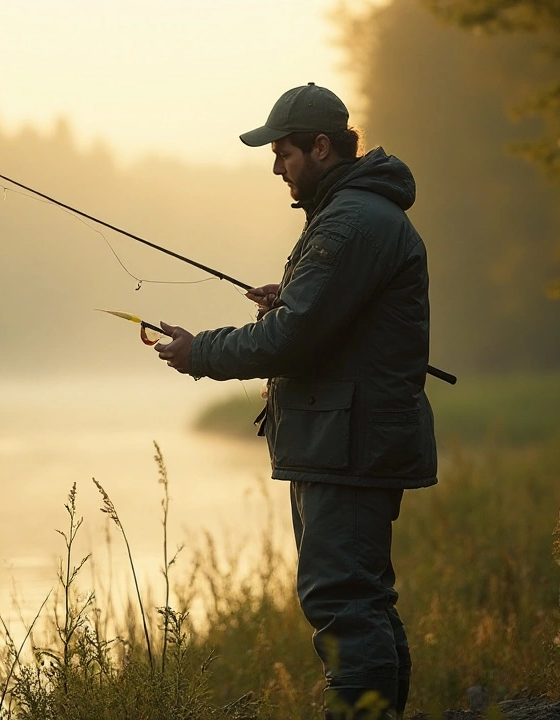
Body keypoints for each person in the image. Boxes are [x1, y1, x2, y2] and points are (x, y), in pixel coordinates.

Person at [154, 83, 438, 720]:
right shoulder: (355, 216)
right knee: (362, 598)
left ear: (320, 146)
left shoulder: (351, 221)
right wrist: (295, 292)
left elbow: (292, 339)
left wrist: (200, 352)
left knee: (343, 600)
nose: (275, 166)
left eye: (283, 152)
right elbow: (331, 318)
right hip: (343, 439)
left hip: (349, 444)